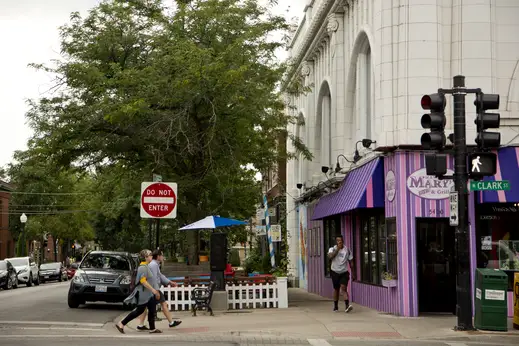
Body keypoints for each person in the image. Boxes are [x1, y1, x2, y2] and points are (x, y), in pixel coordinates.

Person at [115, 249, 162, 334]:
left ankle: (152, 328)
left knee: (152, 310)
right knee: (139, 311)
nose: (152, 256)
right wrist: (154, 290)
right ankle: (121, 324)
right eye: (150, 254)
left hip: (148, 294)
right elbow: (143, 281)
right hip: (144, 293)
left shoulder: (146, 266)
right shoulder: (143, 267)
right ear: (145, 257)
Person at [136, 249, 182, 330]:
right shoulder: (153, 265)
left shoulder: (155, 264)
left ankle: (141, 325)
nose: (163, 257)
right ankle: (170, 323)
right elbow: (153, 278)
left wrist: (170, 282)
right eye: (162, 255)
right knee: (163, 304)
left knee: (145, 307)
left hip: (152, 288)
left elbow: (160, 275)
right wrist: (156, 290)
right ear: (158, 256)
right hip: (154, 288)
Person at [327, 235, 355, 313]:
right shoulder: (332, 249)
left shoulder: (347, 250)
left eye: (341, 240)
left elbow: (351, 262)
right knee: (336, 289)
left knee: (343, 288)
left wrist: (353, 273)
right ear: (336, 242)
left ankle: (347, 305)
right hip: (335, 271)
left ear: (343, 241)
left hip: (344, 272)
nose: (339, 242)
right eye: (338, 240)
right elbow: (330, 257)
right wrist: (337, 249)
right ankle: (336, 306)